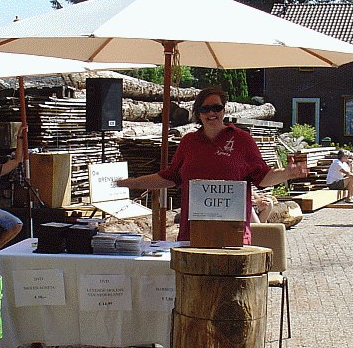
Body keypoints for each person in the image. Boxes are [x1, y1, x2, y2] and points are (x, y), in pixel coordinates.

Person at [116, 86, 308, 244]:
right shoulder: (189, 142)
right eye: (205, 109)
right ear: (198, 114)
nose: (211, 113)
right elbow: (170, 177)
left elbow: (263, 178)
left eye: (216, 108)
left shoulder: (242, 140)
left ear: (224, 110)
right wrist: (132, 183)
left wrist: (286, 174)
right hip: (193, 233)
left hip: (234, 236)